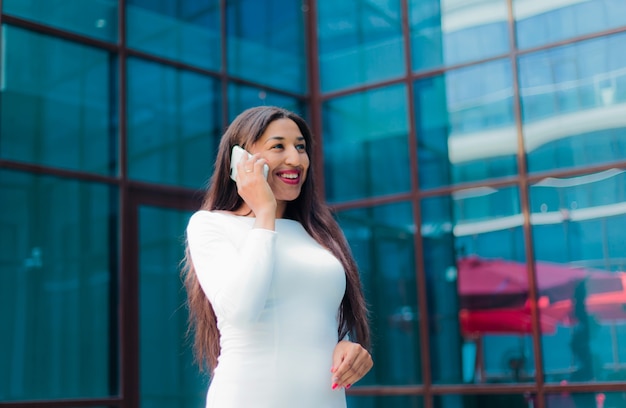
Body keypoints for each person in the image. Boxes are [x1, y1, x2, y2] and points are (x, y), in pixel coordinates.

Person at [182, 106, 373, 408]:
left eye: (300, 147)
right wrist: (265, 212)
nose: (295, 159)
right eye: (278, 146)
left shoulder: (319, 232)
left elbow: (319, 317)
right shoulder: (211, 225)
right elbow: (240, 311)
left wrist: (348, 347)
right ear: (240, 159)